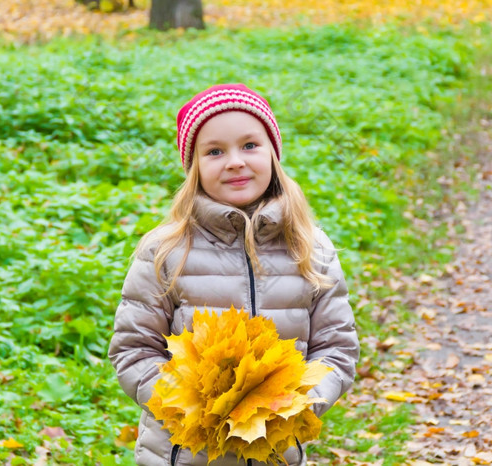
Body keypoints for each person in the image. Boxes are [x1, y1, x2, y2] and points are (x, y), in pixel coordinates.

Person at [108, 83, 359, 466]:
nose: (235, 162)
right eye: (214, 152)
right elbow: (133, 349)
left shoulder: (311, 249)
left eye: (250, 146)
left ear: (273, 153)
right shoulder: (165, 252)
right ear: (194, 168)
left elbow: (337, 348)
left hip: (275, 450)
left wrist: (293, 405)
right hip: (184, 453)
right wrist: (188, 404)